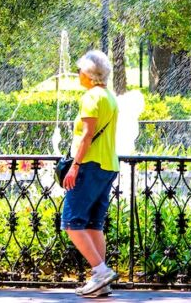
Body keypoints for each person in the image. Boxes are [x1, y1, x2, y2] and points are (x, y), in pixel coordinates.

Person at [65, 51, 120, 298]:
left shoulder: (90, 97)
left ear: (88, 75)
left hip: (89, 164)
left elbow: (87, 135)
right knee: (93, 224)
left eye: (80, 71)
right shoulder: (110, 97)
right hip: (108, 165)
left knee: (72, 223)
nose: (78, 75)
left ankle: (100, 270)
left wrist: (74, 166)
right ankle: (102, 282)